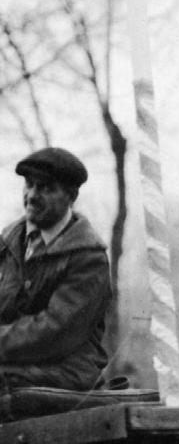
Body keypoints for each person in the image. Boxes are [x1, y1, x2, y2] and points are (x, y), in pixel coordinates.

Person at [0, 148, 112, 391]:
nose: (32, 195)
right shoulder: (8, 243)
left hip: (65, 372)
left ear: (71, 196)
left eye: (46, 188)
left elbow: (56, 331)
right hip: (13, 363)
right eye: (29, 184)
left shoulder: (88, 258)